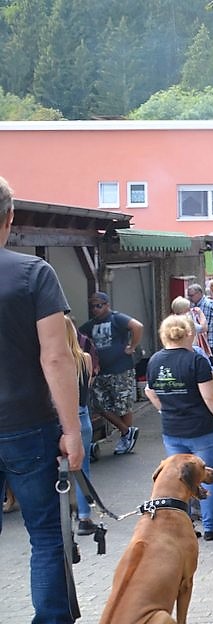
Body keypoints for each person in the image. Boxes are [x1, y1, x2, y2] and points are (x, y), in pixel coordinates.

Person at [0, 175, 82, 623]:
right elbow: (55, 356)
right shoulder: (34, 273)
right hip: (28, 425)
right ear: (10, 217)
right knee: (47, 536)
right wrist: (72, 430)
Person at [144, 315, 213, 540]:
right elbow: (209, 396)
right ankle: (209, 527)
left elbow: (149, 391)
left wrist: (164, 409)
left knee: (181, 479)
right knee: (207, 475)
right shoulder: (196, 361)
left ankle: (187, 527)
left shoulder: (154, 360)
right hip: (202, 428)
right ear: (189, 333)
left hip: (172, 429)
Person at [80, 291, 143, 455]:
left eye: (98, 306)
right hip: (101, 370)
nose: (95, 309)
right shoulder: (90, 325)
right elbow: (78, 335)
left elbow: (137, 326)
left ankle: (126, 439)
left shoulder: (116, 318)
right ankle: (126, 431)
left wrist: (132, 346)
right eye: (92, 306)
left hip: (120, 368)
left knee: (123, 405)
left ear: (107, 305)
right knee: (99, 404)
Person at [65, 317, 100, 537]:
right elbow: (87, 385)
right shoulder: (84, 358)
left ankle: (61, 519)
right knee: (82, 467)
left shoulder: (48, 360)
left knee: (55, 471)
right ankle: (85, 517)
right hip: (82, 414)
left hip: (58, 417)